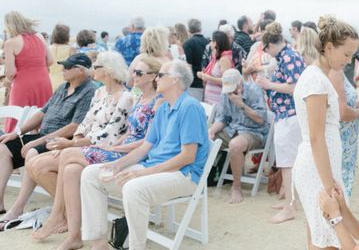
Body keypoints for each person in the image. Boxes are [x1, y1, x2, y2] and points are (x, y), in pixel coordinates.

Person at [80, 60, 210, 250]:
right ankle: (99, 243)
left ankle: (136, 247)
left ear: (175, 80)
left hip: (184, 174)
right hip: (156, 168)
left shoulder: (190, 107)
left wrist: (142, 173)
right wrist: (118, 165)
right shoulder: (164, 107)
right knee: (91, 174)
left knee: (134, 187)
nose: (157, 78)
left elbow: (187, 157)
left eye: (161, 75)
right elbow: (145, 148)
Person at [30, 51, 134, 242]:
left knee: (60, 159)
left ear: (108, 71)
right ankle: (74, 235)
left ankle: (56, 217)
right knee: (68, 170)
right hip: (86, 147)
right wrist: (75, 140)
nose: (93, 69)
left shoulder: (125, 98)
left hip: (106, 149)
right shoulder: (99, 92)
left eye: (97, 66)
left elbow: (108, 135)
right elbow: (86, 123)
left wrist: (71, 144)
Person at [0, 54, 96, 227]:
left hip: (62, 140)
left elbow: (74, 126)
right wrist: (18, 132)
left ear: (80, 71)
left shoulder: (89, 91)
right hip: (43, 135)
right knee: (3, 147)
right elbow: (42, 113)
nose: (62, 69)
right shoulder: (62, 87)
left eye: (67, 66)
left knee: (31, 151)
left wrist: (37, 141)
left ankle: (17, 208)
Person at [293, 16, 359, 249]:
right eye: (346, 54)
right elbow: (316, 136)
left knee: (319, 232)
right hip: (318, 166)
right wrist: (329, 183)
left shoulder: (317, 77)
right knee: (329, 236)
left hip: (322, 163)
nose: (349, 61)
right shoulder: (316, 81)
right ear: (329, 47)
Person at [256, 22, 306, 223]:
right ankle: (290, 201)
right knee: (288, 161)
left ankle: (289, 207)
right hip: (286, 114)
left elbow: (295, 87)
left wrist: (268, 84)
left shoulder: (289, 57)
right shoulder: (287, 56)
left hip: (290, 115)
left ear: (269, 46)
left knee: (287, 162)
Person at [209, 69, 270, 204]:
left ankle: (236, 187)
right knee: (203, 137)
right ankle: (200, 180)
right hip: (233, 129)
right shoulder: (226, 92)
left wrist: (241, 104)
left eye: (234, 89)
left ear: (240, 83)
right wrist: (212, 130)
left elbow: (261, 119)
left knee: (235, 145)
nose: (231, 92)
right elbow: (222, 118)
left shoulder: (254, 90)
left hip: (254, 131)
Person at [2, 11, 54, 132]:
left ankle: (12, 144)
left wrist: (7, 81)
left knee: (17, 115)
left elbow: (11, 72)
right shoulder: (40, 37)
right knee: (42, 114)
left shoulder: (11, 43)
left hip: (23, 84)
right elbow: (50, 60)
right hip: (43, 81)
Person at [328, 69, 359, 199]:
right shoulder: (334, 72)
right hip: (342, 141)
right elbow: (342, 113)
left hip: (346, 140)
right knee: (341, 186)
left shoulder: (336, 71)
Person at [198, 31, 233, 106]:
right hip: (211, 99)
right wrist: (204, 75)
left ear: (215, 43)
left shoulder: (224, 59)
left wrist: (209, 78)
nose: (210, 43)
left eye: (211, 41)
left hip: (218, 101)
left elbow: (227, 81)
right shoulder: (216, 58)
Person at [183, 18, 209, 101]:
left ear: (189, 30)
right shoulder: (208, 42)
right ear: (200, 29)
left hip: (194, 83)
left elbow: (188, 65)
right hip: (208, 81)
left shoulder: (188, 43)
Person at [49, 23, 76, 91]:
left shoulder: (48, 48)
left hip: (48, 81)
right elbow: (74, 67)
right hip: (64, 81)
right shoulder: (71, 49)